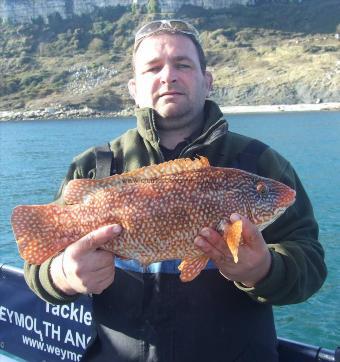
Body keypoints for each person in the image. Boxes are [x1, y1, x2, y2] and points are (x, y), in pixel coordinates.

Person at [24, 19, 327, 361]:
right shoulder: (94, 167)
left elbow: (312, 265)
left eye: (182, 64)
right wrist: (63, 273)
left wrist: (263, 269)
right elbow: (38, 265)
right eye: (153, 68)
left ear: (207, 80)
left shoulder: (261, 163)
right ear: (133, 88)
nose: (168, 76)